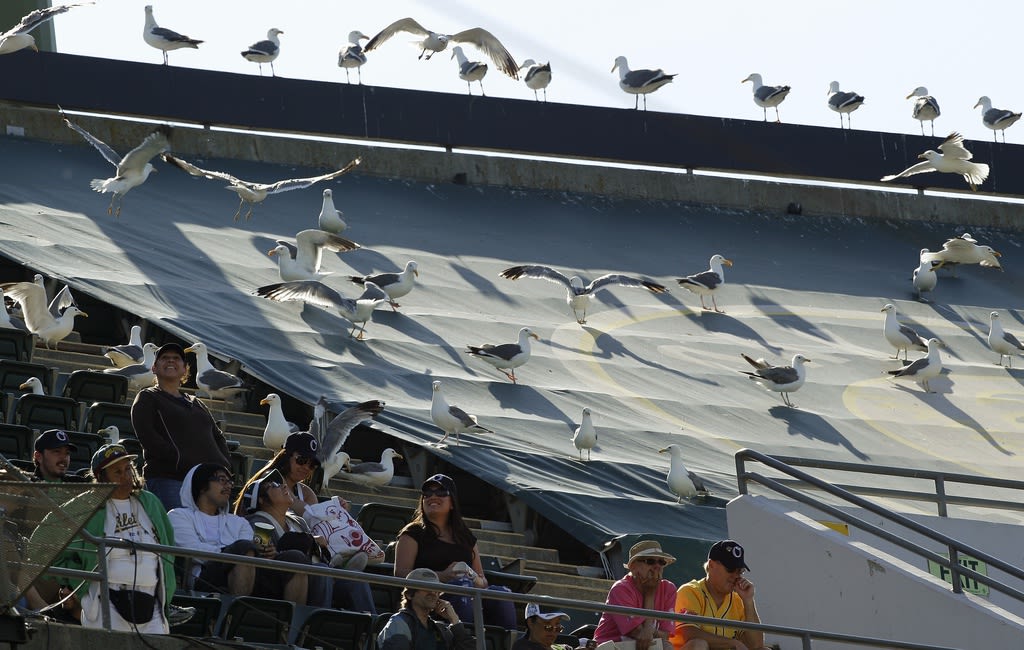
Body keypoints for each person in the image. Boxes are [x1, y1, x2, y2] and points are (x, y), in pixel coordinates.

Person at [29, 443, 179, 633]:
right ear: (101, 477)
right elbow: (39, 547)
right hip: (104, 602)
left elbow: (168, 544)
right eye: (117, 472)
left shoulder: (150, 502)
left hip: (152, 602)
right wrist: (76, 578)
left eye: (128, 469)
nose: (126, 477)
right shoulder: (84, 506)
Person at [236, 434, 376, 614]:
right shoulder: (266, 484)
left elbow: (316, 522)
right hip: (281, 570)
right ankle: (315, 622)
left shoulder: (304, 498)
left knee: (355, 579)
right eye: (301, 460)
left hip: (307, 558)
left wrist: (334, 510)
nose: (306, 468)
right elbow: (259, 543)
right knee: (320, 570)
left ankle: (371, 632)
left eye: (312, 465)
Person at [394, 473, 516, 629]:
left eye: (441, 492)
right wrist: (442, 576)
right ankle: (464, 640)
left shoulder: (465, 537)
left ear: (452, 503)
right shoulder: (413, 533)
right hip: (429, 599)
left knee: (502, 593)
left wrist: (474, 578)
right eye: (428, 493)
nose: (433, 496)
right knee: (461, 585)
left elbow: (482, 580)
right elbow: (400, 574)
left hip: (468, 594)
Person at [131, 341, 232, 511]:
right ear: (154, 368)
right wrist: (177, 458)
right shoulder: (147, 397)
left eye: (176, 358)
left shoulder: (196, 402)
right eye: (164, 358)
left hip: (207, 485)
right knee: (179, 534)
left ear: (185, 369)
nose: (171, 361)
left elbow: (217, 436)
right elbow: (147, 435)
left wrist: (224, 465)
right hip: (170, 479)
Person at [167, 463, 268, 596]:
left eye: (230, 482)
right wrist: (230, 552)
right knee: (243, 548)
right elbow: (191, 549)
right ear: (202, 486)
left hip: (247, 573)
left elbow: (249, 551)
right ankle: (236, 612)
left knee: (294, 556)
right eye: (222, 480)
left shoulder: (239, 522)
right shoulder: (179, 516)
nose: (229, 486)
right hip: (204, 577)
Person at [669, 540, 766, 650]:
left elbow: (756, 646)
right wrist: (732, 643)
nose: (735, 575)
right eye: (730, 569)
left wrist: (748, 601)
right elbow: (690, 634)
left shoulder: (738, 600)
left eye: (739, 571)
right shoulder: (690, 591)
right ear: (711, 565)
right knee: (699, 645)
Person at [594, 540, 678, 650]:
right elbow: (638, 634)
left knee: (667, 646)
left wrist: (649, 630)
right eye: (650, 561)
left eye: (661, 562)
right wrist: (650, 594)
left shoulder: (669, 589)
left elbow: (665, 636)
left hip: (647, 646)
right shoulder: (621, 588)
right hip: (612, 645)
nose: (657, 566)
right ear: (633, 566)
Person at [377, 568, 475, 650]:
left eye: (436, 589)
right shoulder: (399, 623)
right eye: (427, 588)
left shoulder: (439, 629)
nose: (433, 593)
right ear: (410, 594)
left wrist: (454, 620)